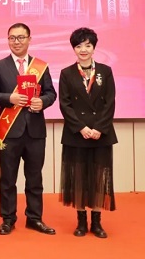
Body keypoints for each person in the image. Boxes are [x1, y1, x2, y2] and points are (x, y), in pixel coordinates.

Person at [0, 23, 57, 235]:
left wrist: (42, 102)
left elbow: (51, 93)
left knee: (35, 178)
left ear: (29, 39)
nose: (16, 42)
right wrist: (9, 98)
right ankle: (8, 219)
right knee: (8, 178)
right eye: (12, 38)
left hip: (35, 132)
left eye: (21, 37)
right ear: (8, 40)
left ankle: (34, 218)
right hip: (9, 132)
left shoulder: (41, 66)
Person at [59, 27, 117, 238]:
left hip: (101, 134)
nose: (83, 50)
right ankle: (81, 221)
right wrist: (81, 128)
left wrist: (99, 128)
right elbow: (65, 105)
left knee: (99, 176)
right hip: (77, 134)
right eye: (78, 46)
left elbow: (110, 103)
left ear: (94, 47)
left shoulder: (105, 71)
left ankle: (97, 222)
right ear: (73, 48)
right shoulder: (66, 73)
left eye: (88, 45)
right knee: (78, 177)